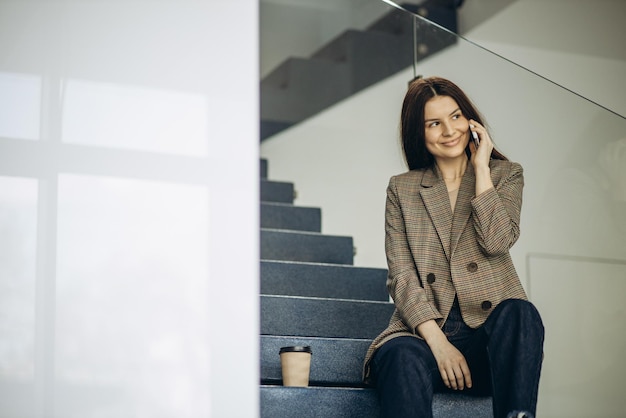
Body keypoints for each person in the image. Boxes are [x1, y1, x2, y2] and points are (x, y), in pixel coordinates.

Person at [362, 76, 545, 418]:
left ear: (471, 121)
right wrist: (438, 342)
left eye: (456, 116)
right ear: (419, 132)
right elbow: (401, 276)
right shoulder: (402, 189)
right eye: (434, 123)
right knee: (398, 354)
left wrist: (481, 169)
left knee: (522, 313)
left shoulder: (505, 175)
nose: (449, 131)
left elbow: (497, 240)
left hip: (488, 340)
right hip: (426, 335)